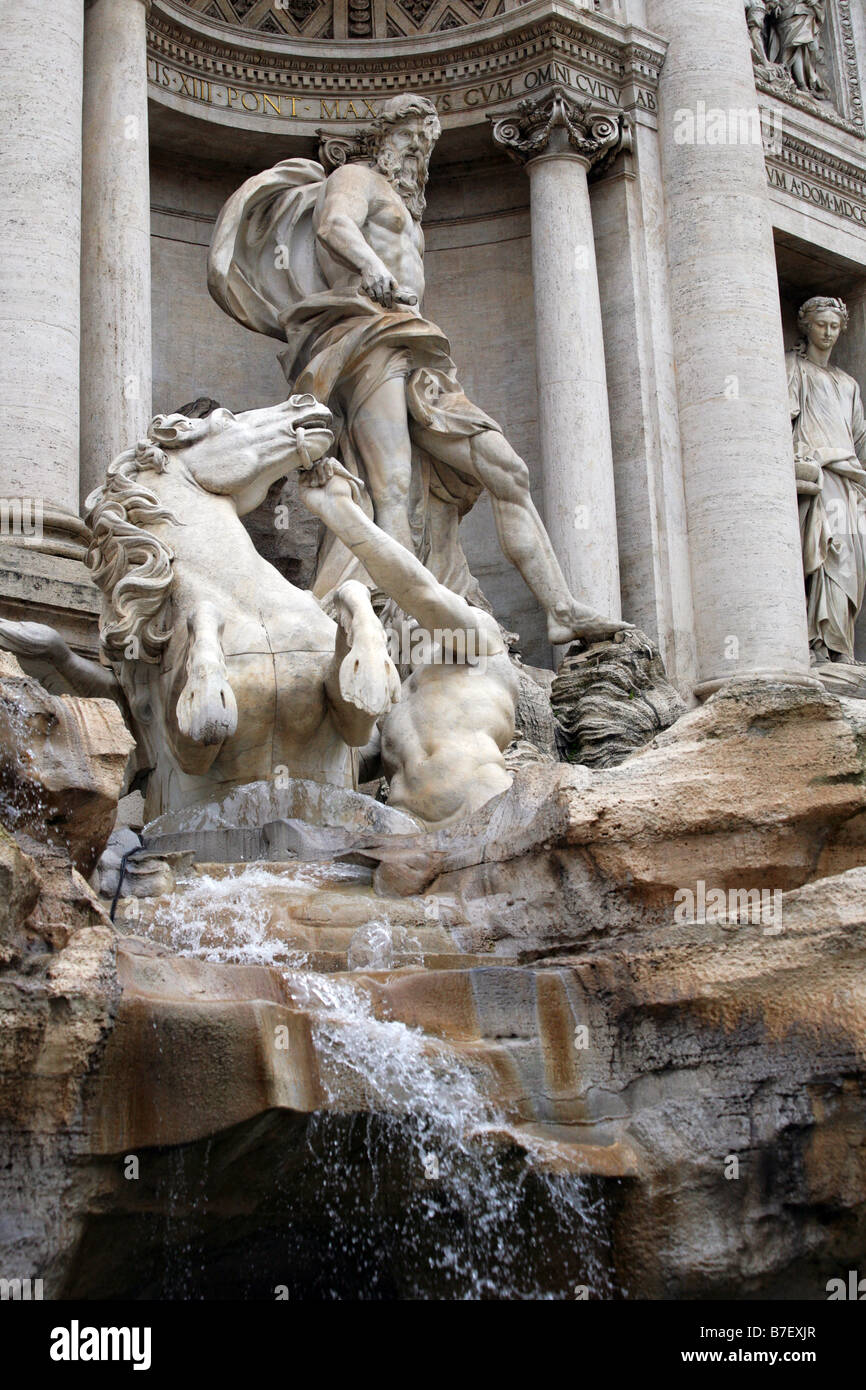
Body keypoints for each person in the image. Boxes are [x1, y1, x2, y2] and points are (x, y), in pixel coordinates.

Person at [208, 93, 626, 647]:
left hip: (415, 343)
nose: (418, 155)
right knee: (394, 487)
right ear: (384, 139)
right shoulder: (355, 177)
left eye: (426, 144)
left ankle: (561, 608)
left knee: (507, 468)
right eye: (410, 140)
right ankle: (401, 624)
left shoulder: (410, 211)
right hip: (365, 335)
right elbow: (334, 226)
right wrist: (373, 267)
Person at [298, 456, 519, 828]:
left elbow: (423, 594)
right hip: (406, 830)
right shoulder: (397, 701)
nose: (402, 618)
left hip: (483, 808)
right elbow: (344, 756)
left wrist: (339, 513)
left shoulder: (481, 645)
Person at [788, 296, 866, 663]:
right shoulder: (794, 368)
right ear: (807, 325)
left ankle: (842, 646)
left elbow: (858, 437)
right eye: (822, 325)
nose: (829, 333)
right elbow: (781, 420)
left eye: (835, 326)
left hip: (850, 481)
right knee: (828, 554)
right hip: (821, 477)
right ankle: (821, 643)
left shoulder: (848, 383)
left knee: (851, 561)